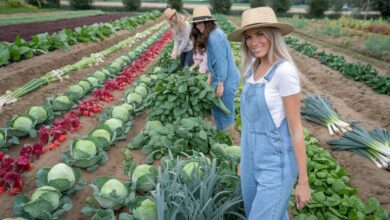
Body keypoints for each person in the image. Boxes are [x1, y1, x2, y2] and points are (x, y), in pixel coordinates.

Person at [227, 7, 311, 219]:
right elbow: (248, 124)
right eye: (248, 37)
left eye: (260, 34)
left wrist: (303, 182)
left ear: (273, 35)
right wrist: (244, 159)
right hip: (250, 161)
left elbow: (296, 130)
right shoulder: (252, 69)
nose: (253, 42)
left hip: (276, 165)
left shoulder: (283, 72)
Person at [190, 6, 240, 134]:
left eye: (201, 22)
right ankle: (220, 134)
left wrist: (221, 83)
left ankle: (228, 138)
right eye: (196, 23)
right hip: (220, 77)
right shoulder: (211, 34)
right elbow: (213, 60)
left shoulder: (214, 37)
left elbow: (221, 62)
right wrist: (211, 77)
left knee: (225, 111)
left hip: (226, 78)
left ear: (208, 22)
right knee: (216, 108)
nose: (198, 26)